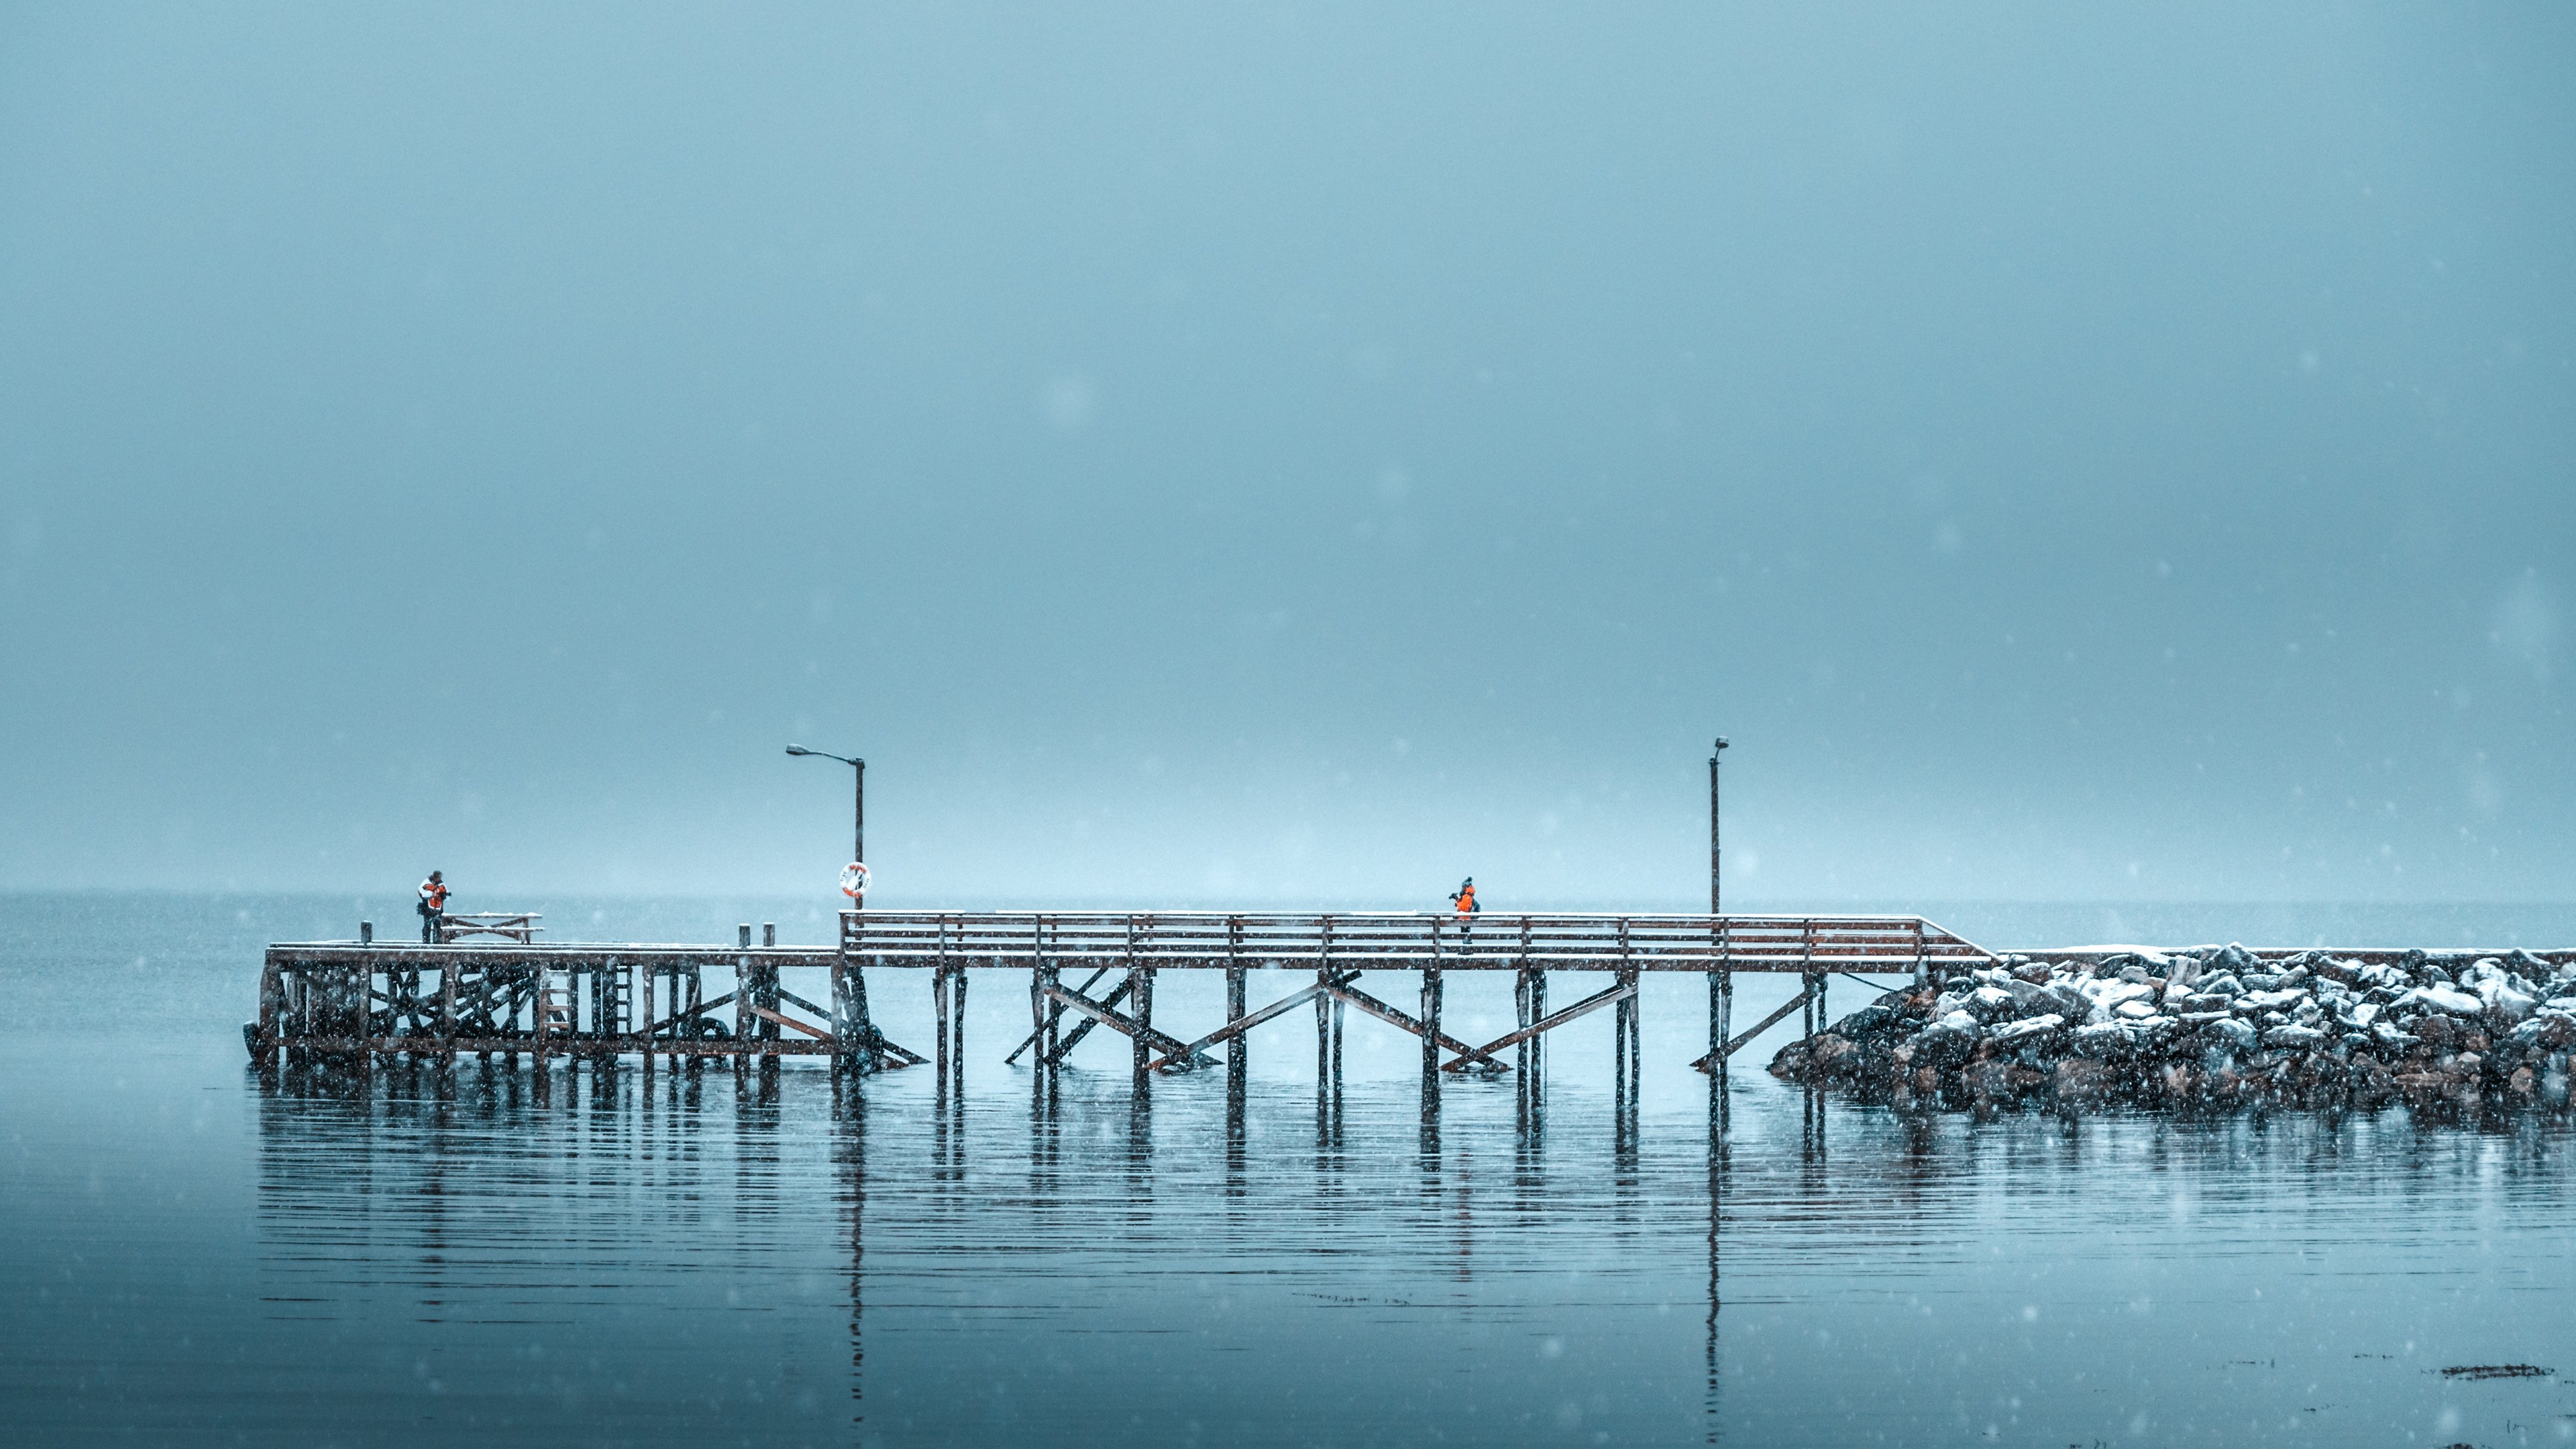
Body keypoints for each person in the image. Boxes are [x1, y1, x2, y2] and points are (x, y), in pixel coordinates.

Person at [418, 870, 451, 943]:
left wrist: (444, 895)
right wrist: (429, 894)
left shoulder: (442, 885)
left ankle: (437, 941)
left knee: (437, 926)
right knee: (428, 925)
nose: (438, 879)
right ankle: (426, 941)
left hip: (438, 909)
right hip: (428, 908)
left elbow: (447, 894)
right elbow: (421, 892)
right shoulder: (427, 883)